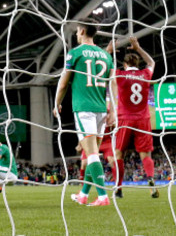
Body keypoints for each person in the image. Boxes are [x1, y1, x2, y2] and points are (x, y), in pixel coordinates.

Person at [53, 18, 114, 207]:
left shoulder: (75, 53)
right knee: (90, 153)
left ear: (81, 31)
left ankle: (103, 196)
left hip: (83, 109)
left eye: (77, 30)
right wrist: (114, 109)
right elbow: (112, 84)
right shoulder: (106, 56)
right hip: (101, 110)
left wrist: (57, 103)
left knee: (92, 154)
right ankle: (83, 195)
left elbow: (63, 83)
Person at [107, 36, 158, 198]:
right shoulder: (145, 74)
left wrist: (108, 52)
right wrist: (138, 48)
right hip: (143, 118)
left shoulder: (119, 75)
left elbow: (105, 67)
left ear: (125, 64)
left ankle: (119, 188)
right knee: (145, 155)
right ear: (137, 64)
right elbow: (151, 63)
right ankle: (151, 180)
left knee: (119, 154)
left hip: (124, 119)